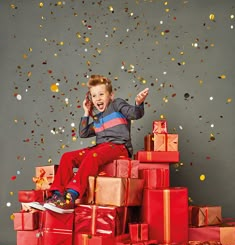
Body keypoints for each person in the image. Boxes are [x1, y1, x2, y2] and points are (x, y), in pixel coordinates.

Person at [28, 74, 149, 213]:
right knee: (68, 157)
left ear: (111, 95)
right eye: (94, 96)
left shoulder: (117, 105)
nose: (98, 98)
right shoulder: (97, 118)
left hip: (119, 146)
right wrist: (86, 112)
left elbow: (134, 114)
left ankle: (70, 196)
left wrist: (139, 103)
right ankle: (57, 196)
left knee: (93, 155)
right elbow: (84, 133)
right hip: (101, 148)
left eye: (101, 94)